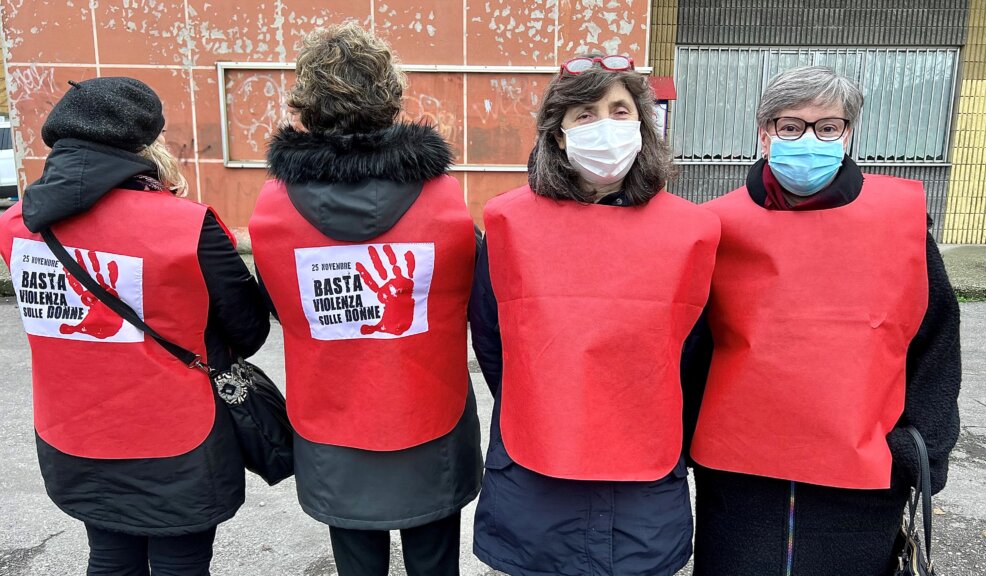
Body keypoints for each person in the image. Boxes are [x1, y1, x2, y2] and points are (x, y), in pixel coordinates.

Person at [686, 66, 962, 576]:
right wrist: (683, 441)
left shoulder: (899, 223)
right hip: (740, 477)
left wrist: (920, 447)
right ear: (764, 132)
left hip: (861, 476)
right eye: (791, 126)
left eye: (827, 127)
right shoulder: (718, 225)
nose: (809, 140)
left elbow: (936, 339)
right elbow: (691, 346)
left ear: (848, 133)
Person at [0, 77, 269, 575]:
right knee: (180, 562)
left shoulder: (15, 225)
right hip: (177, 436)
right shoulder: (185, 225)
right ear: (144, 142)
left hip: (74, 431)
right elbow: (249, 331)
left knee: (109, 557)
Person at [470, 54, 721, 576]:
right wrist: (547, 399)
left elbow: (696, 348)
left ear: (642, 126)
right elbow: (494, 341)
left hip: (645, 478)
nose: (605, 125)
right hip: (536, 466)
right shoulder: (509, 224)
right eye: (585, 114)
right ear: (559, 135)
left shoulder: (691, 231)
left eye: (619, 110)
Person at [248, 23, 481, 576]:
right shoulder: (445, 201)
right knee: (435, 561)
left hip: (332, 421)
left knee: (355, 561)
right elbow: (475, 296)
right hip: (431, 413)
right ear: (392, 99)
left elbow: (279, 306)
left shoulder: (273, 211)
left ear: (305, 105)